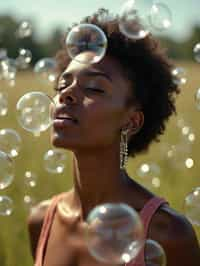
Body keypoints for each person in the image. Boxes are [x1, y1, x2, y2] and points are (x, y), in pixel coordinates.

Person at [27, 8, 200, 266]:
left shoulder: (168, 234)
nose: (66, 94)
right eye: (62, 85)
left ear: (132, 121)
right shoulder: (41, 221)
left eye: (94, 88)